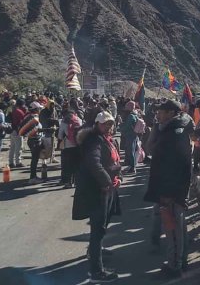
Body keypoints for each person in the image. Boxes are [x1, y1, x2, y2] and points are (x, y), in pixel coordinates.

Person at [144, 100, 194, 280]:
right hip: (173, 189)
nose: (158, 115)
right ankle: (180, 260)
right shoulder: (171, 129)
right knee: (177, 228)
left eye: (161, 112)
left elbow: (181, 165)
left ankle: (175, 266)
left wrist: (171, 193)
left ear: (171, 113)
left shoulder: (174, 133)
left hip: (171, 191)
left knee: (173, 229)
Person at [72, 111, 122, 283]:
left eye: (110, 123)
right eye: (104, 123)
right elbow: (94, 164)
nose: (108, 126)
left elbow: (113, 160)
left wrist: (118, 176)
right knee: (98, 230)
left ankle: (95, 251)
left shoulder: (107, 139)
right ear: (96, 124)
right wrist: (107, 182)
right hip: (98, 190)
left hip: (108, 188)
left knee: (103, 225)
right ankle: (96, 271)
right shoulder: (94, 141)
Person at [19, 102, 44, 184]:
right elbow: (30, 131)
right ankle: (32, 177)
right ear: (36, 109)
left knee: (34, 159)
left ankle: (33, 176)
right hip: (34, 141)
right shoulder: (34, 118)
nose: (40, 110)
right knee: (34, 160)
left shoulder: (29, 116)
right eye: (39, 108)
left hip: (32, 140)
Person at [58, 109, 83, 188]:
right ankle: (77, 182)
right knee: (77, 164)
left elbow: (60, 135)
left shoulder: (64, 121)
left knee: (68, 165)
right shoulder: (79, 120)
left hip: (68, 146)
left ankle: (68, 183)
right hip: (78, 145)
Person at [119, 100, 139, 173]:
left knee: (131, 151)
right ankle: (129, 164)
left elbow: (127, 126)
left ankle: (133, 167)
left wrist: (120, 125)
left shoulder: (130, 116)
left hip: (130, 135)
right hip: (133, 135)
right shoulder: (135, 114)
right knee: (130, 150)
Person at [8, 98, 27, 168]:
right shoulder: (19, 111)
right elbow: (24, 120)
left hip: (12, 130)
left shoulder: (13, 110)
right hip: (17, 131)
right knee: (18, 147)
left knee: (12, 147)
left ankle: (11, 162)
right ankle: (18, 162)